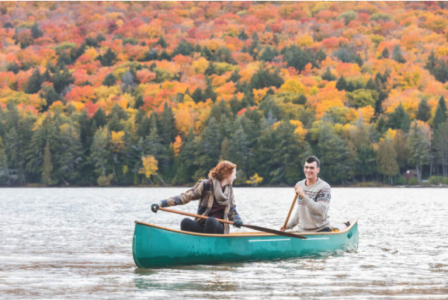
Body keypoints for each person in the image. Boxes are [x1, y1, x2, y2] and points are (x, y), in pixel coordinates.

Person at [151, 161, 243, 234]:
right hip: (202, 227)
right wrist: (161, 203)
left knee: (211, 221)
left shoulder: (230, 192)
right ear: (227, 174)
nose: (235, 177)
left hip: (218, 230)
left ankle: (208, 250)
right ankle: (189, 249)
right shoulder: (206, 185)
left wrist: (237, 220)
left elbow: (233, 212)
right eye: (234, 174)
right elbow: (184, 197)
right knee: (185, 222)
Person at [280, 156, 331, 232]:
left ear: (318, 170)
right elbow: (300, 211)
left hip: (320, 230)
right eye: (306, 167)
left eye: (311, 168)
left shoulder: (324, 187)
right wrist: (289, 225)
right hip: (302, 231)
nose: (308, 170)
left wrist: (303, 195)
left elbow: (321, 211)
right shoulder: (300, 185)